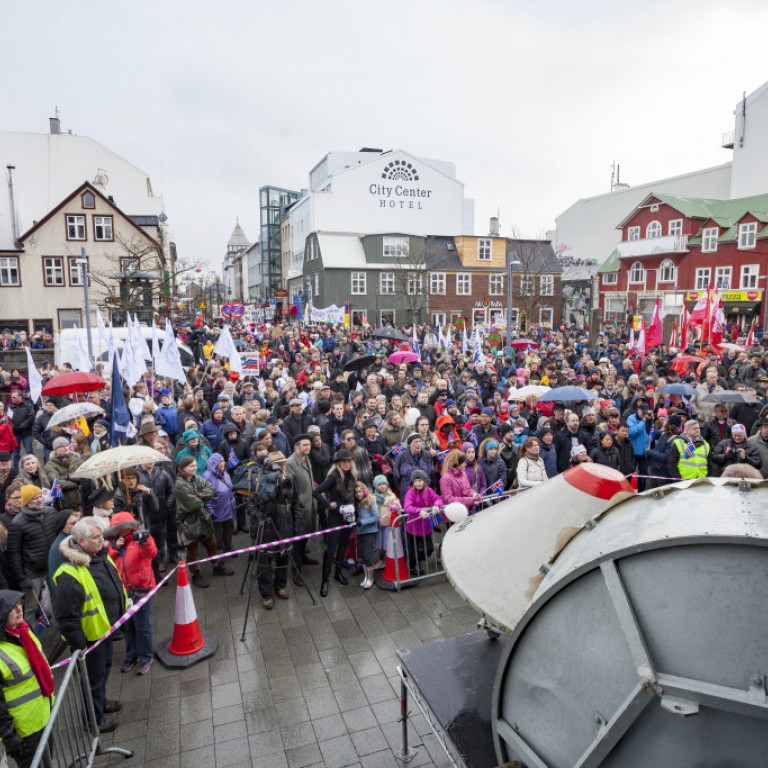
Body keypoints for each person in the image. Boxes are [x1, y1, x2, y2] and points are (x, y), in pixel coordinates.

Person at [53, 518, 127, 733]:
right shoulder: (69, 573)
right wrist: (80, 645)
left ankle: (101, 703)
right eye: (96, 538)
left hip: (104, 631)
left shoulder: (97, 555)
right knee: (92, 680)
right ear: (81, 541)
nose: (102, 541)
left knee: (102, 673)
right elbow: (66, 617)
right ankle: (94, 719)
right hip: (90, 638)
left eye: (101, 536)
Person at [0, 590, 55, 768]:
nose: (19, 610)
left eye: (20, 605)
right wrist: (8, 734)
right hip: (24, 730)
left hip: (44, 713)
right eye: (12, 608)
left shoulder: (24, 631)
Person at [105, 514, 157, 677]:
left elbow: (151, 553)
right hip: (124, 593)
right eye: (118, 529)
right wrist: (114, 548)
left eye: (124, 528)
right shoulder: (113, 544)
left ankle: (146, 657)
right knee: (128, 627)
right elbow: (105, 561)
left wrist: (145, 541)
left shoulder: (140, 538)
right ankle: (131, 656)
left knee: (142, 627)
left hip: (142, 590)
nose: (122, 531)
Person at [175, 456, 233, 589]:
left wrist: (199, 495)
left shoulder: (197, 479)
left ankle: (216, 565)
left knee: (212, 543)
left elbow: (211, 489)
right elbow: (192, 503)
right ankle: (195, 573)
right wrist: (201, 497)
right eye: (191, 466)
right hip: (189, 521)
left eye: (195, 465)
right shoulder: (179, 484)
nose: (195, 468)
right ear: (183, 468)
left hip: (203, 517)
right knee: (192, 550)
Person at [6, 487, 59, 626]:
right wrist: (21, 577)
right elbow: (14, 553)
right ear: (27, 501)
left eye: (40, 496)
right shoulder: (17, 523)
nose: (39, 500)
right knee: (31, 608)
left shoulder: (51, 513)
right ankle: (32, 640)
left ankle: (63, 631)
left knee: (59, 598)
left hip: (53, 566)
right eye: (34, 498)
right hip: (32, 572)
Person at [312, 449, 356, 597]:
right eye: (344, 461)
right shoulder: (333, 477)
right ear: (338, 463)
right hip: (335, 518)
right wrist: (328, 504)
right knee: (331, 549)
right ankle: (325, 581)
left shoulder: (352, 476)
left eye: (349, 461)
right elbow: (316, 492)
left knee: (343, 546)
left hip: (348, 516)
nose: (347, 464)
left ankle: (338, 573)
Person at [284, 434, 316, 588]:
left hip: (310, 505)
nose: (307, 447)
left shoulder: (305, 458)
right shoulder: (291, 462)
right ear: (297, 446)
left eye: (309, 445)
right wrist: (299, 503)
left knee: (305, 537)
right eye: (304, 445)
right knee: (297, 541)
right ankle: (295, 571)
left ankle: (303, 557)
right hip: (300, 508)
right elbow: (290, 488)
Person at [402, 470, 443, 577]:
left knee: (429, 549)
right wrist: (419, 511)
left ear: (424, 481)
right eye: (415, 481)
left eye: (420, 481)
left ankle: (415, 560)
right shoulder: (410, 493)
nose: (418, 483)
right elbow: (407, 507)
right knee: (412, 549)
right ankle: (412, 566)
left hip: (426, 527)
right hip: (413, 528)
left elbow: (438, 499)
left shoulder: (429, 490)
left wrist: (436, 506)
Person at [201, 453, 236, 561]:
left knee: (229, 529)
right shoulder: (207, 476)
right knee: (218, 533)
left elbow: (230, 489)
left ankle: (228, 547)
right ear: (215, 464)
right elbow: (206, 497)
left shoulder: (224, 473)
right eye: (221, 461)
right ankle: (218, 551)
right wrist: (211, 511)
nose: (224, 463)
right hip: (217, 511)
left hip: (228, 509)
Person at [353, 482, 379, 589]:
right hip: (360, 532)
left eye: (359, 491)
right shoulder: (356, 504)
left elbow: (376, 516)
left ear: (364, 490)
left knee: (368, 555)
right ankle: (366, 577)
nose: (358, 494)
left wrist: (363, 522)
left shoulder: (370, 501)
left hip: (370, 532)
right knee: (363, 556)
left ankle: (371, 578)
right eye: (355, 493)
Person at [372, 475, 400, 569]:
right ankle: (381, 560)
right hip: (379, 525)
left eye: (384, 484)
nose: (382, 486)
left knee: (388, 543)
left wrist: (396, 505)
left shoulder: (391, 495)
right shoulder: (374, 496)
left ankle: (389, 561)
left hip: (388, 524)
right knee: (380, 544)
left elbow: (397, 502)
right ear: (376, 486)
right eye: (380, 484)